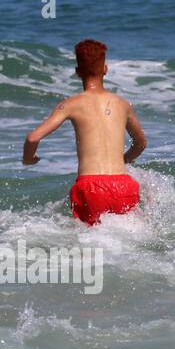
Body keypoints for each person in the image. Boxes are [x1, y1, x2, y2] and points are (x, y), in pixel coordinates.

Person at [23, 39, 148, 225]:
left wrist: (28, 159)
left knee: (90, 247)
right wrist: (124, 158)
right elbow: (141, 143)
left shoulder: (71, 104)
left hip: (91, 189)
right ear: (105, 69)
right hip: (124, 186)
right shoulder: (122, 104)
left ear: (77, 72)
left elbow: (33, 137)